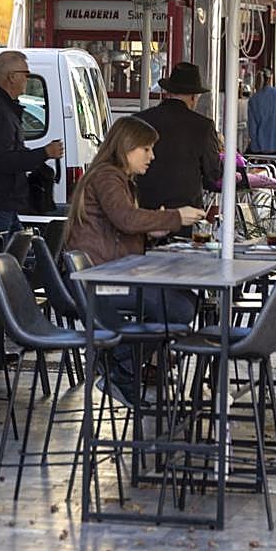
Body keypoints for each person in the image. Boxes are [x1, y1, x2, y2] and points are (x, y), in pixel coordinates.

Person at [65, 116, 205, 405]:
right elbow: (126, 219)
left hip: (107, 276)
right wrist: (176, 216)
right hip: (99, 282)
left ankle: (121, 363)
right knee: (179, 306)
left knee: (183, 302)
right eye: (146, 149)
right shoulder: (107, 176)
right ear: (127, 147)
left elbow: (120, 227)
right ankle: (121, 366)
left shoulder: (113, 178)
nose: (152, 156)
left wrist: (152, 231)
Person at [0, 50, 64, 233]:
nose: (28, 78)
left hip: (0, 202)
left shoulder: (1, 107)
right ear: (12, 77)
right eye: (26, 74)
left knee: (14, 254)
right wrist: (44, 153)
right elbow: (2, 160)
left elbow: (10, 153)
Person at [133, 63, 221, 229]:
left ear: (168, 92)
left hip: (144, 214)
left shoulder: (140, 120)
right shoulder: (203, 126)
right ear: (194, 97)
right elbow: (212, 175)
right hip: (185, 217)